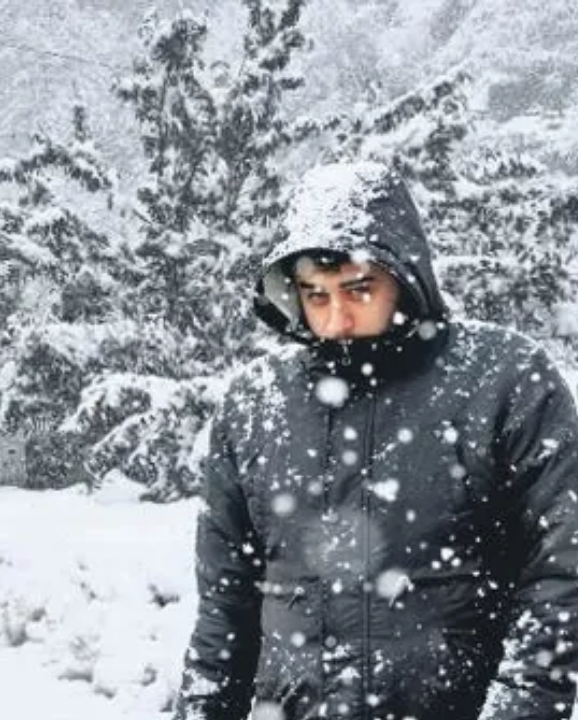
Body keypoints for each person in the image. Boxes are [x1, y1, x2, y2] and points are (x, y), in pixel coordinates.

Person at [174, 161, 578, 720]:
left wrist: (522, 709)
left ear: (405, 276)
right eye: (315, 296)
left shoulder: (503, 380)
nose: (336, 319)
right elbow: (225, 604)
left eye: (358, 289)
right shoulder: (255, 403)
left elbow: (561, 573)